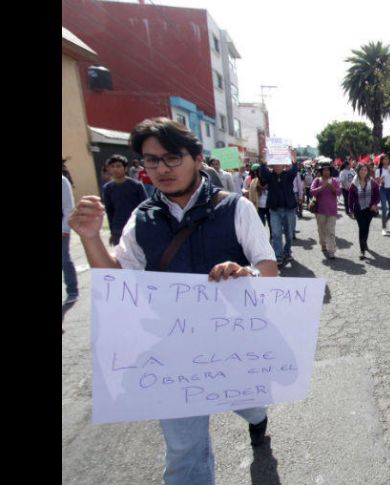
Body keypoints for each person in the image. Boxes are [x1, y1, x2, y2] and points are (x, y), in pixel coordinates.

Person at [68, 117, 278, 485]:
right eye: (151, 160)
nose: (162, 169)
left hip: (231, 348)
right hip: (172, 354)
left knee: (246, 403)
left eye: (172, 158)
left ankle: (257, 419)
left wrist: (246, 274)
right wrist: (90, 238)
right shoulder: (142, 218)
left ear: (197, 159)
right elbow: (116, 279)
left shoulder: (235, 208)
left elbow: (268, 266)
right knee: (184, 455)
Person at [259, 158, 300, 267]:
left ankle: (287, 252)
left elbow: (295, 169)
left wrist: (294, 160)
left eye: (280, 163)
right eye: (275, 164)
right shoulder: (269, 176)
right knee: (276, 234)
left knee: (289, 233)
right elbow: (262, 171)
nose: (277, 166)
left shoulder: (289, 175)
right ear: (272, 165)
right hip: (275, 210)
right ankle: (278, 256)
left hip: (289, 209)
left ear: (283, 165)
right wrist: (263, 161)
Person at [102, 154, 148, 245]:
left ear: (126, 169)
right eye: (112, 166)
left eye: (118, 166)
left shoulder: (136, 186)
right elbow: (109, 211)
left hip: (135, 227)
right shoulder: (108, 188)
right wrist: (112, 232)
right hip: (118, 228)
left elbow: (145, 208)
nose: (115, 169)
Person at [347, 164, 380, 260]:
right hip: (358, 209)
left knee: (366, 227)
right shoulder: (354, 183)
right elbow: (350, 197)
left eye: (365, 170)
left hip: (369, 209)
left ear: (368, 171)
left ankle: (364, 243)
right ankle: (362, 250)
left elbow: (377, 194)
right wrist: (350, 209)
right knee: (362, 228)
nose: (363, 172)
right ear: (358, 171)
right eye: (361, 170)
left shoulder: (372, 182)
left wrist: (374, 203)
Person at [310, 162, 341, 259]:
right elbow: (312, 192)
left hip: (332, 210)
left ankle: (331, 251)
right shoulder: (317, 180)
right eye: (324, 170)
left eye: (328, 170)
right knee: (321, 230)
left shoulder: (335, 180)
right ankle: (323, 245)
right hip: (320, 210)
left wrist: (331, 187)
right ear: (321, 171)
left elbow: (339, 192)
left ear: (330, 171)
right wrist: (322, 187)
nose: (326, 171)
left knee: (330, 230)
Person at [62, 173, 79, 306]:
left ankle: (72, 290)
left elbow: (68, 206)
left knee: (64, 259)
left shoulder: (62, 181)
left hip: (62, 229)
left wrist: (65, 228)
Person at [374, 154, 390, 235]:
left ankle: (385, 221)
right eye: (384, 159)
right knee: (384, 209)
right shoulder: (379, 170)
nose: (386, 161)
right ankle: (384, 228)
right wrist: (381, 179)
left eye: (387, 159)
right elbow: (377, 182)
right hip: (383, 190)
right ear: (381, 161)